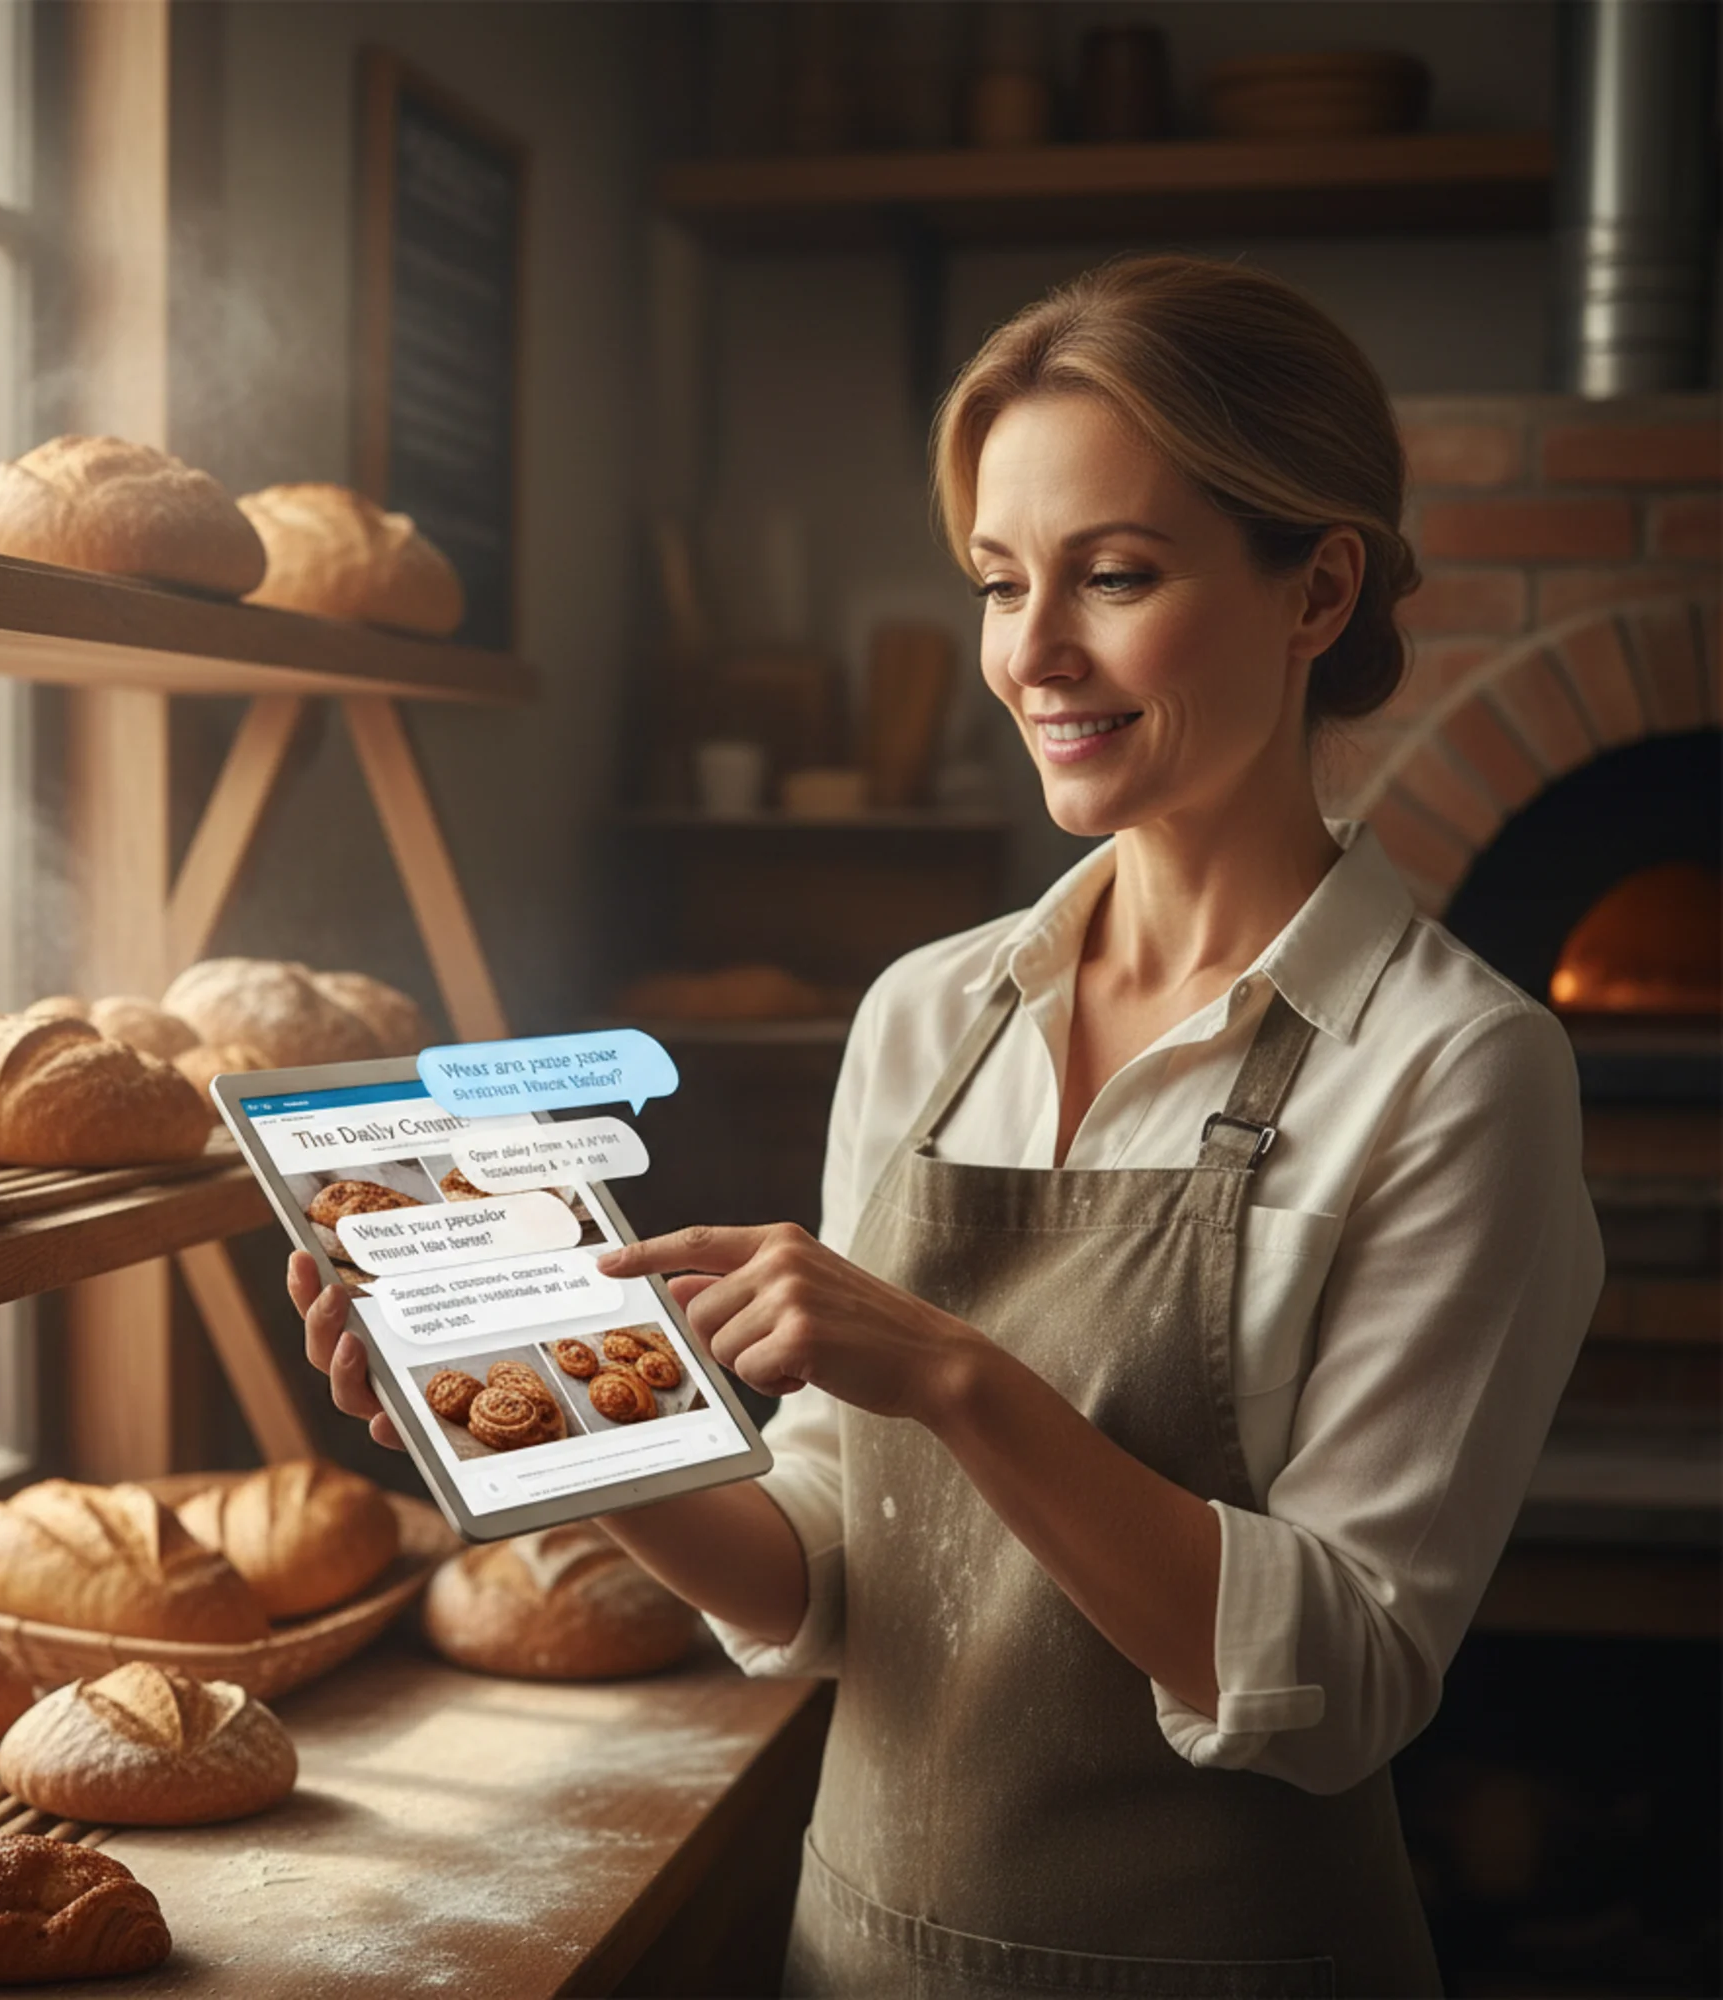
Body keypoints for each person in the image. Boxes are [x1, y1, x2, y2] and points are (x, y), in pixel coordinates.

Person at [290, 252, 1604, 1998]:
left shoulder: (1455, 1071)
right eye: (999, 583)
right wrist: (542, 1415)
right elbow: (829, 1572)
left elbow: (1343, 1677)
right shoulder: (930, 1013)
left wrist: (961, 1378)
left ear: (1317, 592)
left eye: (1114, 577)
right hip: (861, 1953)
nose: (1032, 655)